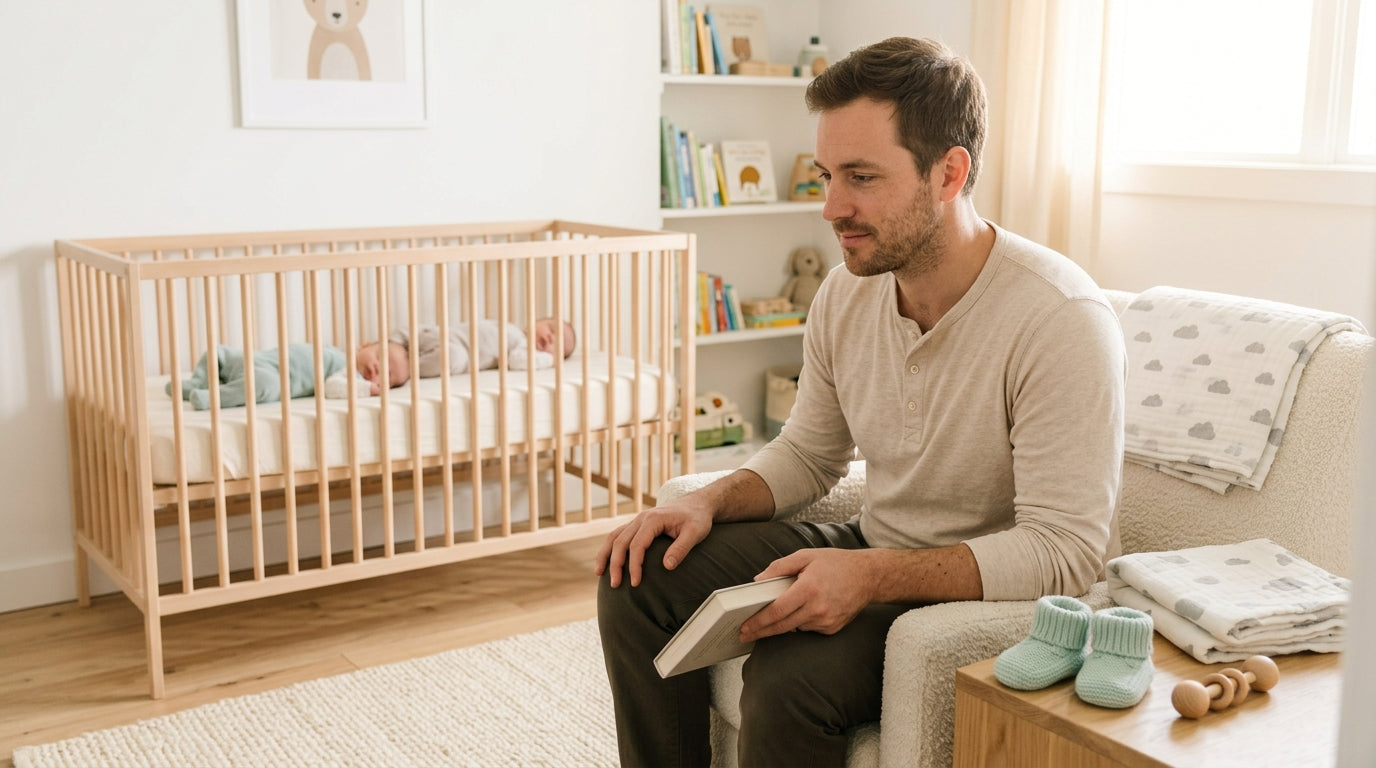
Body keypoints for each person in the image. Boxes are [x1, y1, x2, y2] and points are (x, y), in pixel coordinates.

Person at [594, 36, 1127, 768]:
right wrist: (708, 500)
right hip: (878, 548)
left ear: (949, 173)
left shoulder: (1060, 318)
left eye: (862, 177)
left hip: (992, 595)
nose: (831, 206)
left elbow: (1064, 553)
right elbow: (812, 454)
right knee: (641, 569)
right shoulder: (846, 292)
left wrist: (873, 575)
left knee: (789, 682)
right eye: (826, 175)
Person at [348, 317, 577, 396]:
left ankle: (393, 368)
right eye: (551, 329)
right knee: (410, 338)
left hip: (455, 349)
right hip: (443, 334)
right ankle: (386, 352)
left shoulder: (522, 349)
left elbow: (517, 362)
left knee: (454, 358)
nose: (550, 338)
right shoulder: (511, 327)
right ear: (536, 321)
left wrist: (549, 360)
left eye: (557, 346)